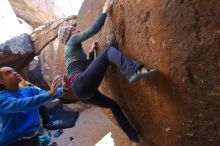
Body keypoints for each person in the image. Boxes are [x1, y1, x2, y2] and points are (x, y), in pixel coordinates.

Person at [58, 0, 159, 143]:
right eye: (74, 30)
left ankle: (132, 135)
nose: (77, 30)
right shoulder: (72, 41)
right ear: (69, 34)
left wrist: (91, 53)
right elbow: (92, 30)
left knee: (113, 105)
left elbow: (86, 69)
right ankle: (133, 71)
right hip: (80, 84)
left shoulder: (71, 50)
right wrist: (105, 12)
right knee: (108, 52)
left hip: (83, 92)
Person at [0, 66, 67, 146]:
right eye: (8, 73)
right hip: (15, 141)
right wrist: (48, 94)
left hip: (33, 136)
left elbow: (48, 95)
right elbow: (21, 104)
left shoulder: (30, 90)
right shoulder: (2, 98)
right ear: (2, 81)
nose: (14, 73)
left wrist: (64, 89)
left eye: (13, 70)